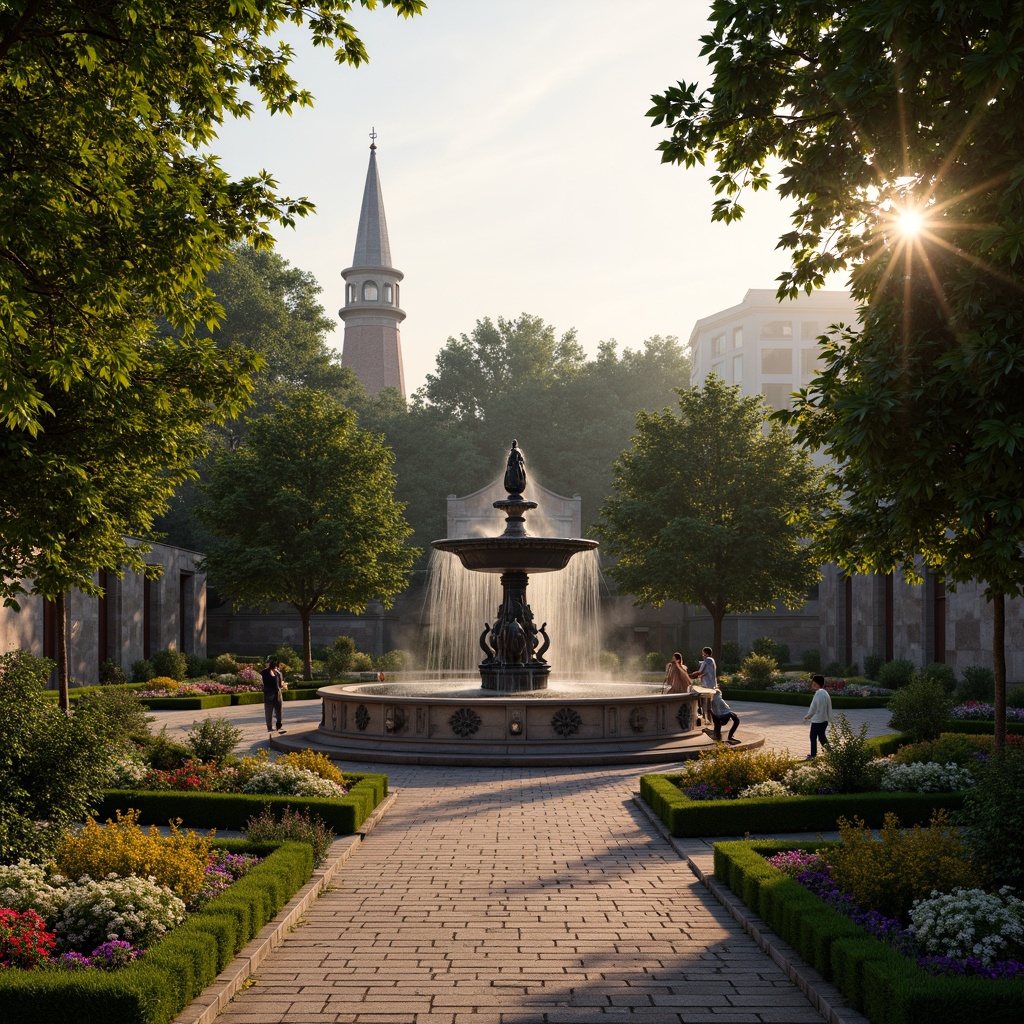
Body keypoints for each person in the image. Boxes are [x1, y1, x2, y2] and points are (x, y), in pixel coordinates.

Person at [803, 674, 832, 758]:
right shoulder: (825, 693)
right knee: (822, 737)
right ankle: (831, 752)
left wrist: (808, 716)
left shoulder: (818, 693)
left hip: (818, 720)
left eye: (815, 684)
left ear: (819, 684)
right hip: (824, 719)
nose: (813, 685)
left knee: (813, 737)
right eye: (813, 684)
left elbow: (814, 707)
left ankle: (813, 755)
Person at [261, 656, 285, 738]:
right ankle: (269, 727)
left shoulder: (278, 673)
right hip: (268, 694)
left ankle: (279, 726)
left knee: (279, 711)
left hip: (277, 694)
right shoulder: (264, 672)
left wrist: (282, 686)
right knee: (269, 711)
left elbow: (279, 684)